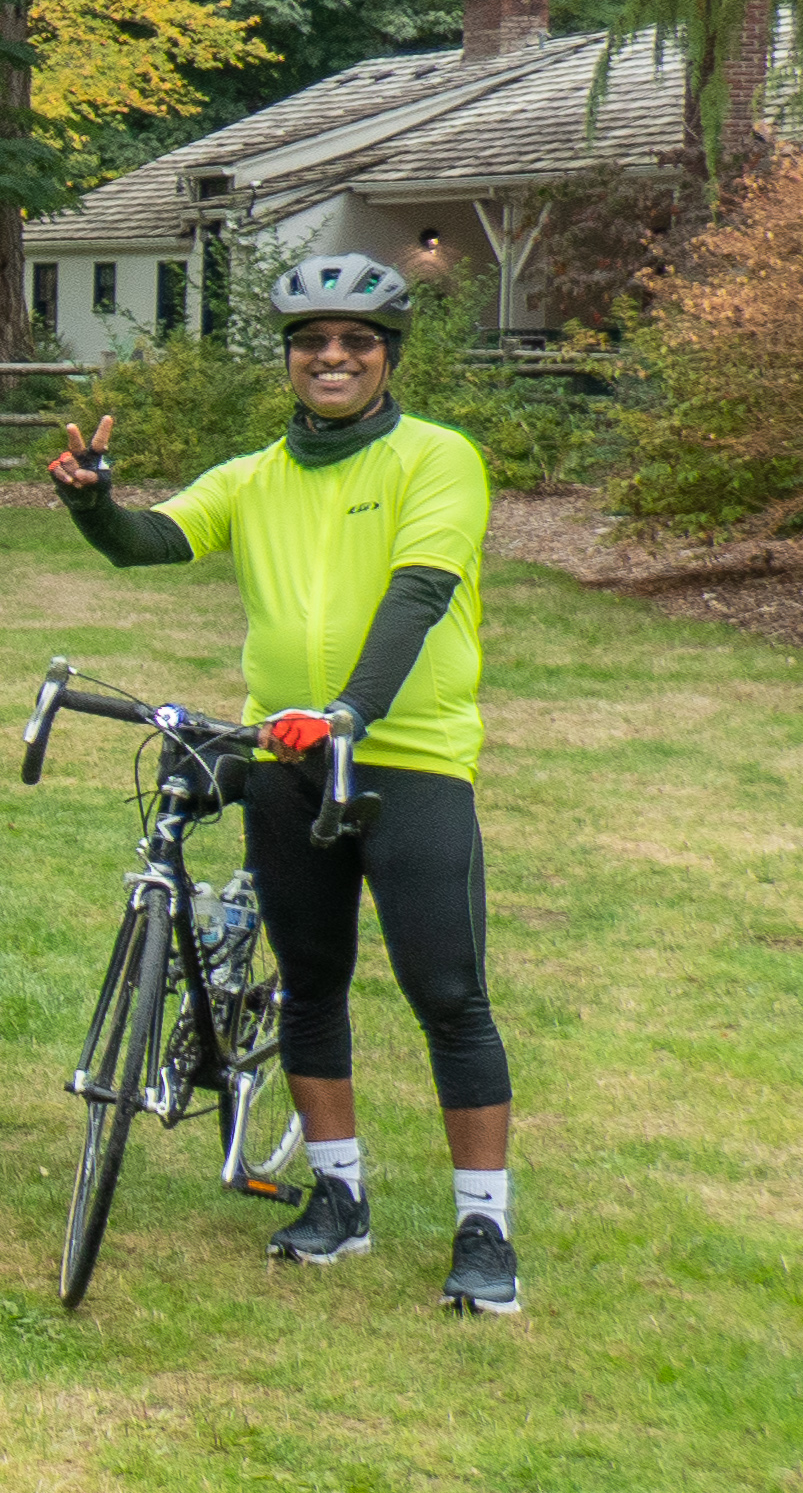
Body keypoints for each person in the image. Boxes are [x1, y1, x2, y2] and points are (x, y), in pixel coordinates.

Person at [50, 251, 521, 1314]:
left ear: (385, 358)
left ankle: (482, 1224)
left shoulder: (435, 460)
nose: (331, 358)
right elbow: (150, 541)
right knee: (308, 983)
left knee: (445, 993)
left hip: (408, 761)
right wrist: (93, 506)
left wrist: (351, 713)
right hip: (283, 759)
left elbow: (416, 596)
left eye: (353, 343)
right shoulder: (255, 473)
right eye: (310, 343)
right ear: (288, 360)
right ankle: (336, 1198)